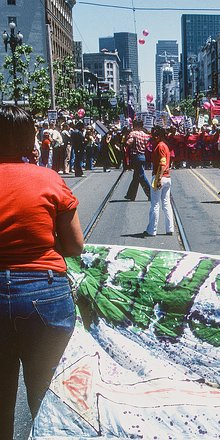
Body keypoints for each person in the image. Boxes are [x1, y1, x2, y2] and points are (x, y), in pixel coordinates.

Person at [0, 106, 84, 440]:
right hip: (44, 294)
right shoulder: (48, 179)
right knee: (46, 397)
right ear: (27, 138)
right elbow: (75, 245)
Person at [145, 126, 175, 237]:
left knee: (155, 204)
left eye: (154, 135)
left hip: (160, 177)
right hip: (167, 178)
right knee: (166, 203)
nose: (152, 137)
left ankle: (152, 230)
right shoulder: (165, 145)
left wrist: (158, 179)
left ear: (158, 136)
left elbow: (162, 163)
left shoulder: (160, 146)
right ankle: (169, 228)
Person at [124, 120, 152, 201]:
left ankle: (150, 193)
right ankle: (131, 194)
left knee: (141, 176)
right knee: (136, 176)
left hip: (136, 156)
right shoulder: (146, 135)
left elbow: (129, 142)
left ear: (136, 126)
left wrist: (126, 141)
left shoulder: (133, 133)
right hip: (143, 156)